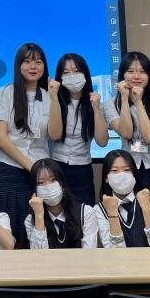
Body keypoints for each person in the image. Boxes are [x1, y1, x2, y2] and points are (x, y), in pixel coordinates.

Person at [102, 51, 150, 244]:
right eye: (130, 71)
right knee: (137, 222)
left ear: (149, 75)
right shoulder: (110, 105)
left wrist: (138, 102)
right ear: (122, 75)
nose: (136, 76)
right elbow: (126, 132)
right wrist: (124, 99)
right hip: (131, 171)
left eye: (142, 71)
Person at [0, 43, 53, 246]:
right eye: (27, 61)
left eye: (38, 61)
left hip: (37, 176)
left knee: (33, 232)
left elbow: (54, 135)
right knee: (6, 234)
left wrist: (36, 170)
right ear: (18, 65)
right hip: (6, 171)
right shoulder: (5, 93)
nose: (33, 66)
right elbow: (0, 138)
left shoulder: (49, 97)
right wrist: (31, 166)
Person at [48, 52, 108, 206]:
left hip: (83, 170)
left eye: (76, 71)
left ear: (85, 74)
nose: (72, 76)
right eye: (66, 72)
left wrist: (96, 109)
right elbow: (54, 135)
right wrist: (53, 97)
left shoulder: (96, 104)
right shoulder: (53, 102)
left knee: (84, 214)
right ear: (59, 77)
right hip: (56, 167)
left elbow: (102, 142)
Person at [94, 149, 150, 248]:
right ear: (106, 178)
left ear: (134, 175)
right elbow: (114, 253)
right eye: (114, 171)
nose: (121, 175)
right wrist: (112, 214)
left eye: (126, 170)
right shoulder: (100, 209)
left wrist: (146, 207)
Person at [24, 158, 98, 249]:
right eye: (41, 182)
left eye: (53, 179)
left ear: (62, 183)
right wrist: (39, 215)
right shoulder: (31, 220)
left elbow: (89, 252)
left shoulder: (86, 213)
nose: (48, 187)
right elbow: (39, 255)